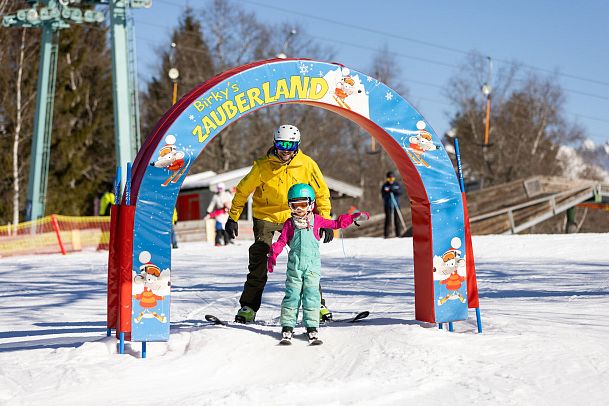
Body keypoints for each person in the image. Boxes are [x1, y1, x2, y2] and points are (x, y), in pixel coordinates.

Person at [225, 124, 335, 323]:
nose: (286, 150)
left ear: (297, 146)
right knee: (259, 259)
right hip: (266, 217)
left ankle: (316, 303)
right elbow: (242, 191)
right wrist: (233, 217)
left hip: (296, 216)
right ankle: (248, 307)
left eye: (291, 146)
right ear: (274, 144)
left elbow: (322, 193)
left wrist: (325, 220)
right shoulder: (262, 166)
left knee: (305, 260)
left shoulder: (307, 164)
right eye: (282, 144)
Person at [267, 184, 368, 344]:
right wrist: (273, 254)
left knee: (312, 296)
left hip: (312, 268)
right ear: (290, 206)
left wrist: (351, 218)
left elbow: (335, 224)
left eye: (302, 205)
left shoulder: (316, 220)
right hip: (295, 268)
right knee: (292, 295)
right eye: (295, 205)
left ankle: (312, 327)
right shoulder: (289, 223)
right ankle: (287, 327)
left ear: (311, 204)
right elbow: (281, 241)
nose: (299, 209)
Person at [381, 171, 403, 238]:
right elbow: (383, 194)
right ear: (387, 179)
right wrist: (388, 192)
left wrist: (394, 190)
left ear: (394, 178)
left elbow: (400, 192)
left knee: (397, 219)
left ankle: (398, 234)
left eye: (392, 179)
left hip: (396, 204)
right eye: (389, 179)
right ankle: (386, 234)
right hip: (388, 205)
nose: (390, 180)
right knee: (388, 220)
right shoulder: (385, 186)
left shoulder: (397, 184)